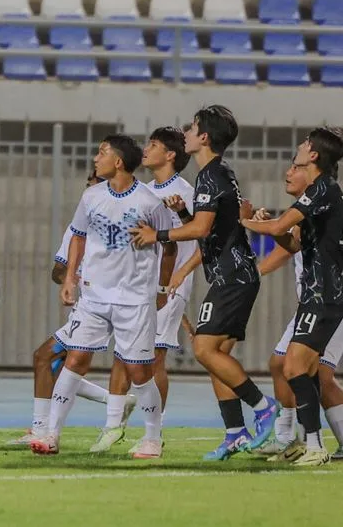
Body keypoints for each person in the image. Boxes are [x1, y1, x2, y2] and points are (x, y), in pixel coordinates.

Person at [131, 105, 279, 461]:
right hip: (234, 274)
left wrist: (157, 234)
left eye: (193, 127)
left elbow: (201, 230)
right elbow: (210, 230)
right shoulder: (214, 174)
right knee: (216, 358)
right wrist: (184, 213)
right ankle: (234, 432)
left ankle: (263, 407)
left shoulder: (212, 176)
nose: (187, 131)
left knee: (203, 349)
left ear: (204, 137)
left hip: (233, 276)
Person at [31, 135, 175, 459]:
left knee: (139, 372)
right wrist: (70, 278)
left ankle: (153, 438)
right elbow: (78, 237)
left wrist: (163, 289)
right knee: (75, 359)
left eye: (102, 152)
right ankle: (51, 434)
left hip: (135, 298)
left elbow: (170, 246)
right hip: (94, 296)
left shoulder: (150, 202)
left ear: (119, 162)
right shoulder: (91, 196)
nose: (96, 158)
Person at [11, 167, 138, 452]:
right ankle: (46, 429)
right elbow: (58, 269)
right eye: (88, 183)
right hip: (87, 303)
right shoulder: (77, 226)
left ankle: (146, 429)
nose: (90, 188)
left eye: (96, 182)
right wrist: (71, 276)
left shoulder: (127, 218)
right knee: (53, 362)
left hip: (116, 302)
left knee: (56, 361)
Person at [241, 128, 343, 466]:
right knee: (296, 368)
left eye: (302, 147)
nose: (293, 157)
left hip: (326, 295)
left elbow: (275, 230)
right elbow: (292, 244)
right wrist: (277, 228)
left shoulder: (324, 188)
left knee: (298, 367)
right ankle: (307, 443)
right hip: (317, 297)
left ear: (313, 155)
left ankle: (311, 444)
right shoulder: (315, 194)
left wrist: (240, 221)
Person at [141, 127, 198, 418]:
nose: (145, 149)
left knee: (155, 358)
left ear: (170, 155)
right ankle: (118, 422)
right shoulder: (144, 191)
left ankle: (154, 430)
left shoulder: (187, 193)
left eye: (153, 144)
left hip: (170, 287)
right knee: (131, 358)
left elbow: (203, 240)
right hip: (141, 284)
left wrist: (175, 282)